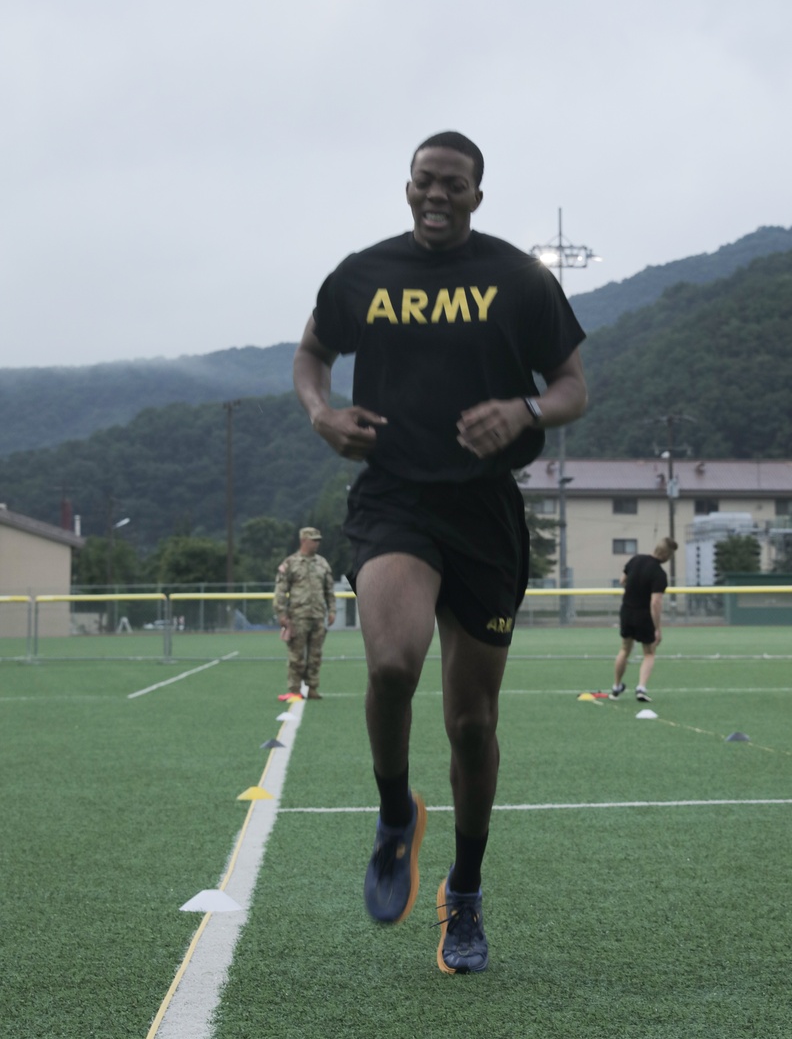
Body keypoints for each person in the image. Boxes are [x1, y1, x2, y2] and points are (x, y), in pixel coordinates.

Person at [292, 131, 588, 974]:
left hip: (486, 514)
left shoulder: (520, 279)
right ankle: (396, 813)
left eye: (453, 184)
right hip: (395, 501)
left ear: (477, 195)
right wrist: (321, 411)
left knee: (471, 724)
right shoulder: (363, 274)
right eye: (425, 181)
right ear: (408, 184)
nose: (437, 195)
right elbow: (311, 354)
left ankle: (464, 890)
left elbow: (572, 385)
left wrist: (528, 412)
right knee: (391, 666)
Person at [608, 538, 677, 702]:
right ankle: (641, 688)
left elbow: (622, 580)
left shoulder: (635, 559)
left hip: (627, 611)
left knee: (624, 649)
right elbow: (655, 602)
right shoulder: (659, 574)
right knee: (649, 652)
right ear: (666, 554)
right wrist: (657, 628)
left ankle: (616, 687)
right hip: (644, 615)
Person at [273, 527, 337, 699]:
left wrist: (332, 610)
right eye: (313, 540)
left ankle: (312, 687)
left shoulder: (322, 563)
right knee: (296, 655)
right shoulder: (290, 563)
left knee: (315, 655)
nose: (317, 543)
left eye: (318, 540)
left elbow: (329, 590)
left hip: (318, 616)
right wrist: (282, 614)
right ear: (303, 541)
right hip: (298, 616)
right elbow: (280, 591)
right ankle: (294, 689)